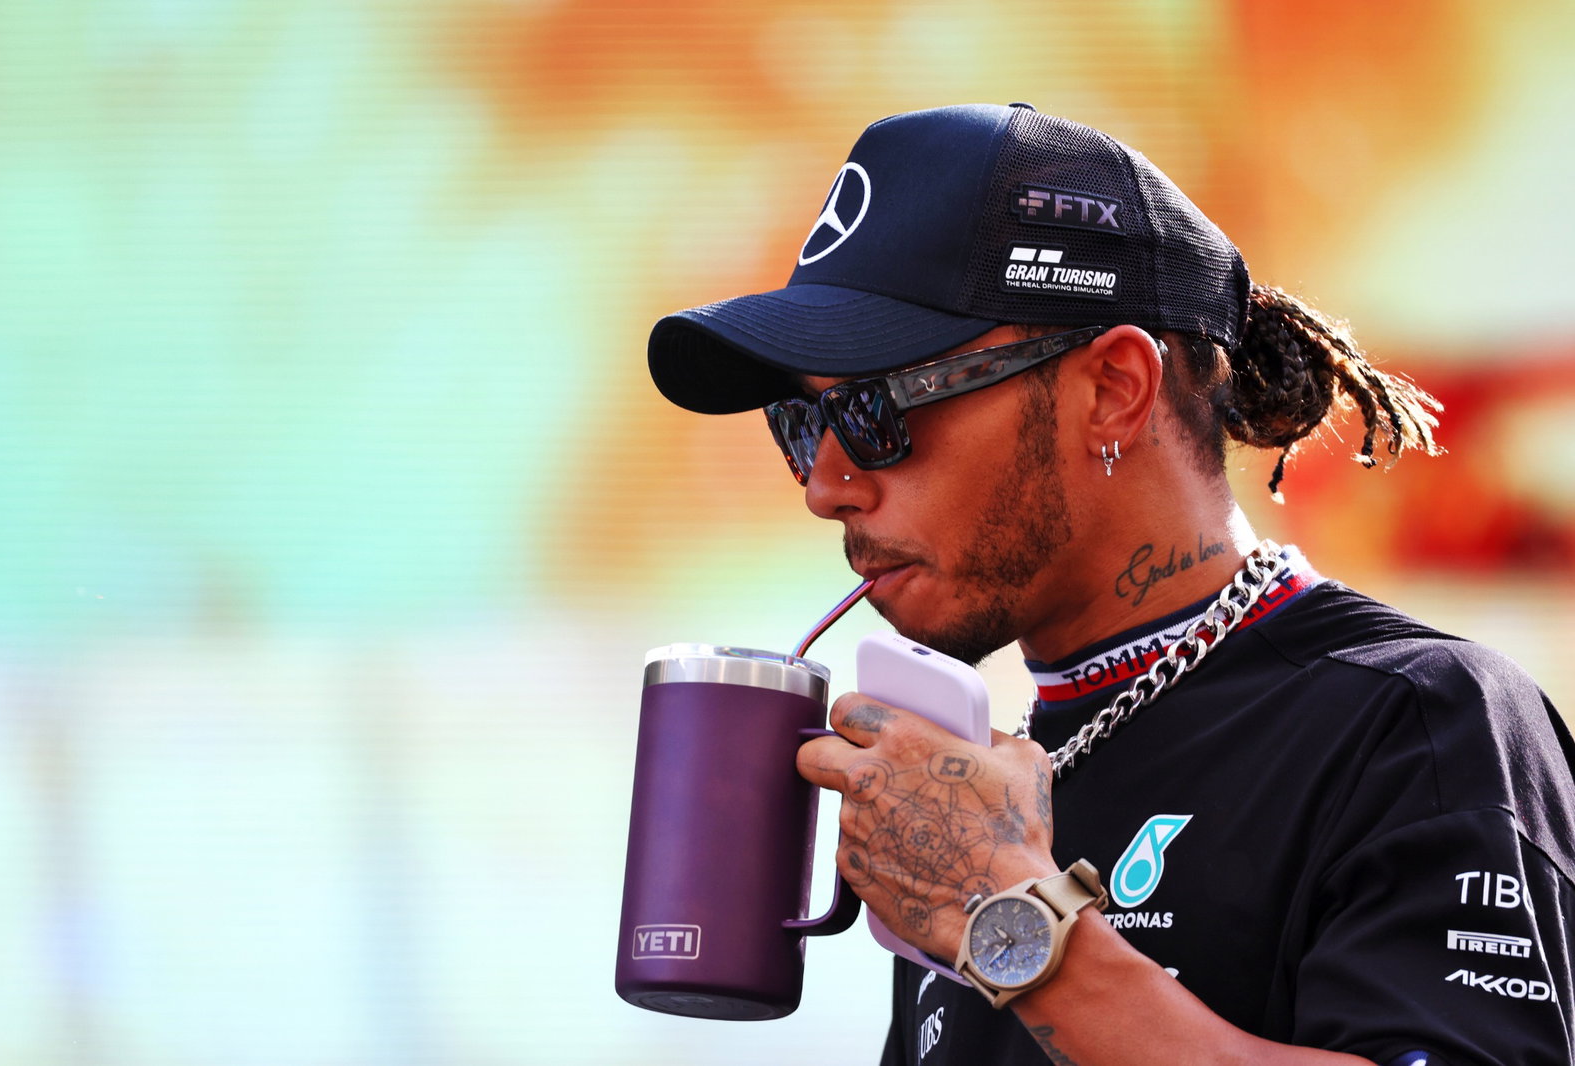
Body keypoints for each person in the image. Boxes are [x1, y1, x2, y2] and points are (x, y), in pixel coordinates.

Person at [645, 104, 1575, 1065]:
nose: (828, 486)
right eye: (801, 427)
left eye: (875, 410)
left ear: (1113, 389)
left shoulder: (1423, 721)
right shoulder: (979, 794)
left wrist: (1013, 928)